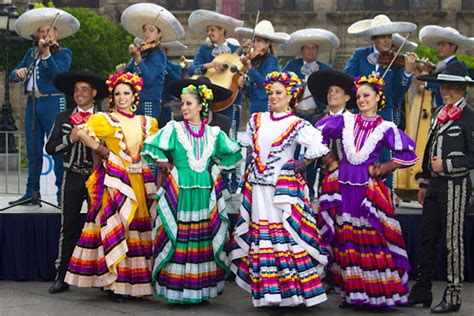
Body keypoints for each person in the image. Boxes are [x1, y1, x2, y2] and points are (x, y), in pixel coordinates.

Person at [315, 73, 419, 309]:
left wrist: (385, 167)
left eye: (367, 95)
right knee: (347, 239)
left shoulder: (386, 127)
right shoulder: (346, 120)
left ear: (377, 98)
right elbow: (317, 132)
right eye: (359, 96)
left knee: (371, 239)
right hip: (344, 184)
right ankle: (354, 293)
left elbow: (409, 153)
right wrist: (330, 158)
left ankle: (377, 294)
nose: (361, 99)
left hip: (367, 189)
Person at [230, 71, 329, 307]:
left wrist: (299, 165)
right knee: (262, 238)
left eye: (279, 93)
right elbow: (251, 151)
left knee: (285, 235)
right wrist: (250, 173)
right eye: (271, 93)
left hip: (282, 190)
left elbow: (316, 150)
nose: (273, 97)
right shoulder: (257, 119)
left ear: (290, 96)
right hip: (258, 188)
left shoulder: (297, 124)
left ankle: (292, 294)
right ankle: (269, 294)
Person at [141, 77, 242, 304]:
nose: (183, 108)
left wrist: (214, 168)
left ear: (200, 106)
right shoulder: (174, 128)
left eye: (188, 104)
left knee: (202, 238)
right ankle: (177, 290)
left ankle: (200, 290)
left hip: (204, 191)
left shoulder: (214, 134)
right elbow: (150, 146)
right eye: (182, 104)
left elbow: (234, 153)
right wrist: (164, 163)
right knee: (178, 236)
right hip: (181, 189)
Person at [64, 72, 159, 302]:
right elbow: (81, 133)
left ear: (134, 96)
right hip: (116, 181)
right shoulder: (105, 119)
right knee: (116, 228)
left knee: (137, 229)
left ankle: (135, 284)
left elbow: (156, 147)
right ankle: (114, 283)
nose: (121, 97)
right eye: (117, 94)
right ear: (112, 97)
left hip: (138, 181)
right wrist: (103, 151)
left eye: (126, 93)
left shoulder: (147, 122)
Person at [408, 61, 474, 314]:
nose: (446, 91)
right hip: (434, 185)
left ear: (462, 89)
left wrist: (446, 164)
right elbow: (428, 151)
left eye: (452, 87)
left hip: (456, 186)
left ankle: (454, 295)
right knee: (427, 238)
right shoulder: (438, 113)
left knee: (452, 241)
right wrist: (424, 180)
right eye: (443, 86)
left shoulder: (469, 117)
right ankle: (422, 290)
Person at [45, 70, 108, 294]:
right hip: (72, 176)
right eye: (76, 90)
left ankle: (105, 279)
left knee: (102, 227)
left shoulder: (105, 117)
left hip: (98, 178)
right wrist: (69, 138)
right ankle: (61, 276)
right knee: (68, 226)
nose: (79, 93)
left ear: (93, 93)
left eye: (83, 90)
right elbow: (50, 148)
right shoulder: (63, 117)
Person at [8, 7, 79, 205]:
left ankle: (61, 193)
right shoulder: (31, 53)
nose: (44, 34)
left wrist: (47, 54)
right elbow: (14, 73)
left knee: (57, 148)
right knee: (33, 150)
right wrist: (18, 73)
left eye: (49, 31)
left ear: (56, 34)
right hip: (33, 102)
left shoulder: (63, 53)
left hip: (53, 102)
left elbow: (57, 75)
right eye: (41, 31)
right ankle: (32, 192)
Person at [344, 14, 417, 190]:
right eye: (383, 37)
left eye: (389, 36)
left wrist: (407, 72)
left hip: (385, 115)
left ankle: (386, 195)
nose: (387, 41)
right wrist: (366, 84)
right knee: (360, 154)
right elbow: (347, 78)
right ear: (374, 38)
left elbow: (398, 93)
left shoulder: (395, 60)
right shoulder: (360, 55)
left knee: (385, 157)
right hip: (361, 116)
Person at [116, 3, 184, 121]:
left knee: (147, 136)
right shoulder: (141, 53)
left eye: (151, 30)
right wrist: (122, 71)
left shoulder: (158, 55)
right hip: (132, 102)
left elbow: (148, 78)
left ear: (159, 34)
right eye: (145, 30)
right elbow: (127, 76)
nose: (147, 33)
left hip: (148, 104)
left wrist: (137, 59)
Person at [187, 9, 243, 136]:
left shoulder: (236, 51)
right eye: (208, 30)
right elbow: (191, 70)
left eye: (212, 30)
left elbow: (243, 74)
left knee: (230, 140)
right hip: (209, 104)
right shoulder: (204, 50)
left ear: (222, 30)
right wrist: (209, 65)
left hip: (230, 102)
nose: (209, 33)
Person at [307, 69, 355, 202]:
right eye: (330, 91)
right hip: (325, 175)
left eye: (337, 91)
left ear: (347, 97)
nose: (332, 94)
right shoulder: (317, 121)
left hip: (349, 176)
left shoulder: (353, 121)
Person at [282, 28, 340, 118]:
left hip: (317, 115)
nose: (310, 51)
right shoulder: (292, 65)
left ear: (317, 51)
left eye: (313, 48)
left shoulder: (326, 69)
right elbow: (280, 83)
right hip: (294, 115)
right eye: (307, 48)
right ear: (302, 50)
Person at [235, 20, 287, 114]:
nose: (255, 44)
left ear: (267, 43)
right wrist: (243, 85)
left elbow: (264, 83)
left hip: (266, 104)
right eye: (254, 41)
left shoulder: (271, 60)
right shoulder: (254, 60)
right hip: (254, 104)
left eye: (258, 41)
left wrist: (250, 68)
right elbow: (250, 90)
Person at [418, 25, 474, 108]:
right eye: (438, 45)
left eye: (443, 45)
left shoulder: (457, 65)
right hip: (439, 108)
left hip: (450, 108)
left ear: (453, 47)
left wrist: (425, 83)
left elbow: (449, 84)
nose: (439, 48)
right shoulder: (441, 65)